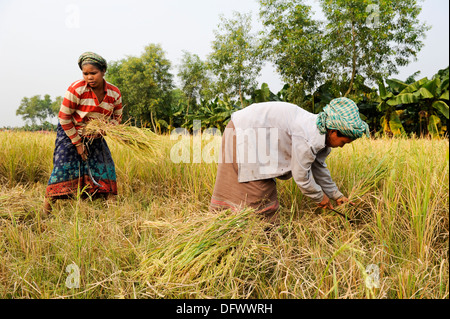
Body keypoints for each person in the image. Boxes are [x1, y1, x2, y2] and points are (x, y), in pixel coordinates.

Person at [209, 97, 370, 225]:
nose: (341, 147)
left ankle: (239, 232)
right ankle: (250, 238)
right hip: (243, 132)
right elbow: (301, 177)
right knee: (259, 196)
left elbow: (318, 168)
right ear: (334, 132)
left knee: (255, 195)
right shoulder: (307, 137)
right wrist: (320, 197)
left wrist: (336, 195)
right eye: (343, 142)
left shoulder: (320, 133)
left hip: (252, 135)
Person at [43, 52, 123, 215]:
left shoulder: (114, 93)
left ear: (103, 71)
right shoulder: (76, 89)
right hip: (70, 132)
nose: (89, 77)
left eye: (93, 73)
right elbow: (64, 118)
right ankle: (45, 213)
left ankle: (114, 215)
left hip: (95, 135)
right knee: (62, 170)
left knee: (106, 169)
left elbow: (117, 117)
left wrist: (106, 129)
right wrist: (78, 144)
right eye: (85, 73)